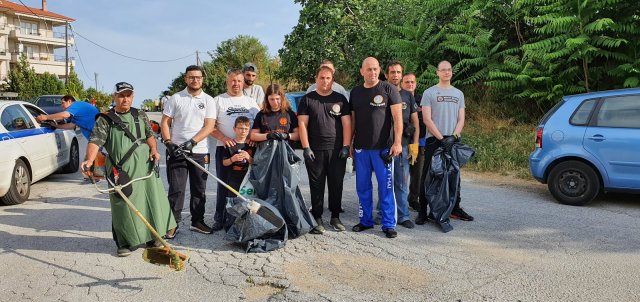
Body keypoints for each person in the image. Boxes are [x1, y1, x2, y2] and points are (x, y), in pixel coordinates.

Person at [81, 82, 177, 257]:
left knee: (151, 201)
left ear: (132, 97)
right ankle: (125, 242)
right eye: (121, 95)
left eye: (128, 95)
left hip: (145, 166)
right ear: (115, 97)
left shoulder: (140, 114)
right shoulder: (105, 119)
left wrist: (154, 150)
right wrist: (89, 160)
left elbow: (149, 136)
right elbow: (95, 141)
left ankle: (153, 236)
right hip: (121, 170)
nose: (125, 98)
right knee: (123, 205)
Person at [350, 57, 403, 239]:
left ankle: (389, 224)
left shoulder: (389, 89)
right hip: (361, 149)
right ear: (361, 71)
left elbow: (398, 119)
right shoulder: (355, 93)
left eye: (375, 69)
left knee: (386, 188)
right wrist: (349, 144)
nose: (372, 73)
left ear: (379, 70)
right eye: (368, 69)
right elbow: (353, 121)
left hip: (384, 149)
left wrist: (397, 143)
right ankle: (366, 221)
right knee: (362, 187)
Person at [417, 60, 474, 227]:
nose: (446, 73)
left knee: (454, 175)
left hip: (453, 140)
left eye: (449, 70)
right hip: (434, 140)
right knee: (428, 175)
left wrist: (454, 137)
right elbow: (427, 119)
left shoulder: (459, 94)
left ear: (451, 72)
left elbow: (461, 118)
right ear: (438, 73)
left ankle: (455, 208)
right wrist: (442, 138)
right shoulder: (429, 93)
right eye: (443, 70)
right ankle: (422, 211)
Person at [161, 65, 216, 237]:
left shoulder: (208, 100)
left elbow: (209, 126)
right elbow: (164, 123)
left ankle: (197, 221)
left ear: (202, 79)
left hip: (199, 151)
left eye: (198, 77)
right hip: (177, 151)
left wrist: (193, 142)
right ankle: (172, 223)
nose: (195, 80)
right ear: (186, 78)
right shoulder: (176, 98)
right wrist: (168, 142)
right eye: (191, 77)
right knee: (176, 189)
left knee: (199, 189)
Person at [298, 66, 351, 234]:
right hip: (315, 150)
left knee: (336, 184)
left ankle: (335, 216)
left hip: (337, 150)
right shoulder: (307, 100)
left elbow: (347, 124)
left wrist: (346, 146)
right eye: (322, 78)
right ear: (316, 79)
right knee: (317, 185)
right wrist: (306, 147)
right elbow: (302, 125)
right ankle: (318, 217)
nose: (325, 81)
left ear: (332, 81)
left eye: (328, 78)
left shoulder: (341, 99)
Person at [210, 69, 261, 231]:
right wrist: (224, 138)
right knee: (224, 185)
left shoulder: (251, 102)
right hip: (225, 149)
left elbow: (259, 124)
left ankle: (244, 218)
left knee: (247, 185)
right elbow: (210, 126)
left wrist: (252, 137)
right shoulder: (218, 101)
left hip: (248, 148)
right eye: (233, 80)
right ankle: (220, 218)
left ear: (243, 82)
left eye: (239, 81)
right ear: (227, 81)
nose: (236, 84)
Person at [375, 61, 419, 229]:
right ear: (386, 75)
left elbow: (415, 122)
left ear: (402, 74)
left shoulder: (408, 95)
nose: (395, 75)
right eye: (392, 72)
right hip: (383, 146)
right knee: (384, 181)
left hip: (403, 146)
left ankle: (403, 215)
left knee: (401, 183)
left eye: (398, 72)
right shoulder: (379, 93)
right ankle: (381, 213)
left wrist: (414, 145)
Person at [403, 73, 426, 211]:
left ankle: (413, 198)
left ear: (416, 84)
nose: (410, 84)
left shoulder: (422, 100)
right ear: (402, 83)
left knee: (418, 173)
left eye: (412, 82)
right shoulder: (398, 97)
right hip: (402, 141)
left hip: (420, 142)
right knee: (401, 174)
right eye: (407, 82)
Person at [222, 116, 254, 196]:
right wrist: (232, 159)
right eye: (240, 128)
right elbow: (224, 163)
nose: (243, 131)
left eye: (246, 129)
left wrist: (248, 157)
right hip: (233, 179)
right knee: (233, 200)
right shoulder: (230, 144)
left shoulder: (252, 145)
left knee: (248, 200)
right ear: (234, 129)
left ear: (249, 130)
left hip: (248, 179)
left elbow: (256, 163)